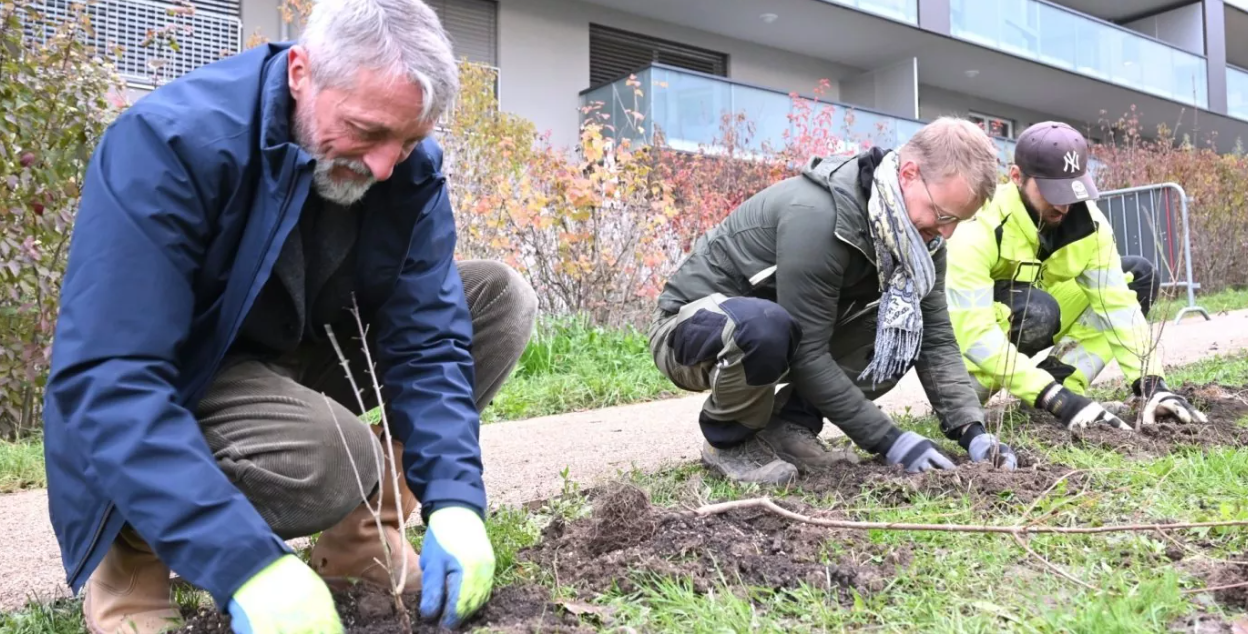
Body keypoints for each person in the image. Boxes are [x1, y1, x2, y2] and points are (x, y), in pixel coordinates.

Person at [40, 0, 539, 631]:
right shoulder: (171, 144)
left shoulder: (404, 169)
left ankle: (362, 542)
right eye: (367, 131)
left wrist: (457, 501)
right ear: (301, 72)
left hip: (294, 345)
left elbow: (430, 340)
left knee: (498, 301)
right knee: (335, 455)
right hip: (185, 376)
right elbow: (110, 379)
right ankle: (134, 551)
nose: (386, 164)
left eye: (410, 139)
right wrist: (245, 563)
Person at [647, 117, 1019, 485]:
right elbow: (807, 352)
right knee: (765, 325)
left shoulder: (920, 239)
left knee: (903, 330)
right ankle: (731, 441)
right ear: (908, 173)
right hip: (693, 331)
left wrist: (972, 430)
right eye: (942, 215)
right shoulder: (819, 216)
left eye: (958, 221)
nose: (947, 232)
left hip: (784, 334)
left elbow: (936, 335)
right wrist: (890, 441)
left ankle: (788, 427)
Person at [944, 121, 1207, 431]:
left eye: (1070, 190)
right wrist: (1055, 400)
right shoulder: (979, 225)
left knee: (1136, 277)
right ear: (1016, 177)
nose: (1063, 204)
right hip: (967, 353)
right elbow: (972, 332)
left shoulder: (1089, 226)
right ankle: (973, 398)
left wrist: (1152, 384)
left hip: (1041, 309)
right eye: (1051, 190)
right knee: (1038, 310)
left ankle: (1064, 382)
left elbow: (1118, 307)